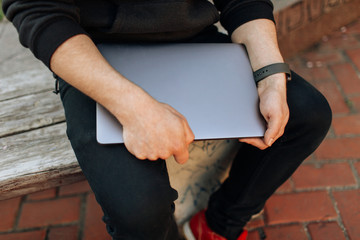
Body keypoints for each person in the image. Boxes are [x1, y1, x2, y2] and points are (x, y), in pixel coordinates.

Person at [2, 0, 332, 239]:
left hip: (193, 38)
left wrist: (271, 76)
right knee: (139, 208)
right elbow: (38, 12)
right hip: (93, 59)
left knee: (308, 114)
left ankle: (218, 225)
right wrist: (134, 107)